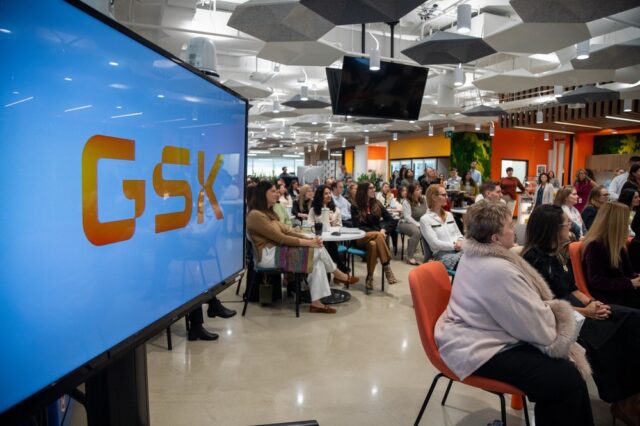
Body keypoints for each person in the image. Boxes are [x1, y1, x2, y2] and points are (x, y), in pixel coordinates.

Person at [435, 201, 594, 426]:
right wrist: (560, 321)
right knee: (565, 380)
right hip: (475, 347)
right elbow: (539, 329)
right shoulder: (498, 270)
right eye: (510, 225)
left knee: (565, 376)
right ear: (495, 239)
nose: (515, 228)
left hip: (471, 334)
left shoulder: (479, 256)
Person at [522, 204, 640, 419]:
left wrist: (593, 303)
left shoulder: (557, 255)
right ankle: (620, 399)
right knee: (612, 336)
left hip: (579, 308)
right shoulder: (532, 261)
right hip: (563, 317)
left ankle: (631, 395)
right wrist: (585, 311)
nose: (570, 224)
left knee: (633, 319)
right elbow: (544, 306)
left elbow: (573, 288)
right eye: (565, 222)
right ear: (552, 228)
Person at [247, 181, 357, 314]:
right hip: (268, 256)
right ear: (262, 194)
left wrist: (310, 239)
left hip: (277, 252)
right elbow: (281, 238)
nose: (277, 194)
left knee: (317, 260)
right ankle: (338, 274)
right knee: (317, 250)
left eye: (276, 191)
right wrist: (309, 243)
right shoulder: (256, 215)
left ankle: (317, 302)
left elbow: (287, 230)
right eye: (273, 191)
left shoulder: (269, 213)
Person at [582, 202, 640, 309]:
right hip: (610, 299)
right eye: (625, 221)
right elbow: (596, 281)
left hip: (622, 293)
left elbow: (629, 273)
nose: (628, 225)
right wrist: (629, 283)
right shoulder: (595, 246)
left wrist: (636, 278)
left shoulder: (617, 244)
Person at [351, 182, 399, 292]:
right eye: (370, 188)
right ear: (363, 191)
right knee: (378, 235)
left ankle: (369, 278)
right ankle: (386, 266)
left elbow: (391, 220)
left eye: (374, 188)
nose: (374, 190)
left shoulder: (376, 204)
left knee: (373, 245)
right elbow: (357, 226)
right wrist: (377, 233)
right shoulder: (355, 206)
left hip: (376, 238)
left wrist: (384, 229)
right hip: (361, 237)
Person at [308, 185, 355, 277]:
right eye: (326, 193)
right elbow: (309, 224)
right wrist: (320, 223)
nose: (329, 195)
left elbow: (339, 225)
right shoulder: (313, 210)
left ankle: (331, 274)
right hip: (317, 238)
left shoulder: (336, 210)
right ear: (320, 196)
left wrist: (332, 223)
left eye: (329, 193)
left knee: (330, 244)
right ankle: (340, 267)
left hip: (332, 238)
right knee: (326, 244)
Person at [420, 185, 464, 270]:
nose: (447, 197)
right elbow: (434, 243)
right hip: (442, 255)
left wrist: (460, 241)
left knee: (478, 259)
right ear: (434, 197)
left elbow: (459, 234)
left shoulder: (449, 215)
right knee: (469, 265)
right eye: (444, 195)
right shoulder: (425, 219)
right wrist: (454, 246)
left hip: (459, 250)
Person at [398, 184, 427, 265]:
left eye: (420, 189)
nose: (420, 191)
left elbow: (427, 212)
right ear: (412, 192)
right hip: (405, 223)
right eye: (417, 190)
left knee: (431, 229)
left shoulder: (423, 199)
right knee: (417, 232)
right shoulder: (406, 202)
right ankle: (409, 256)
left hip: (419, 222)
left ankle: (430, 255)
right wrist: (418, 224)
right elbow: (407, 217)